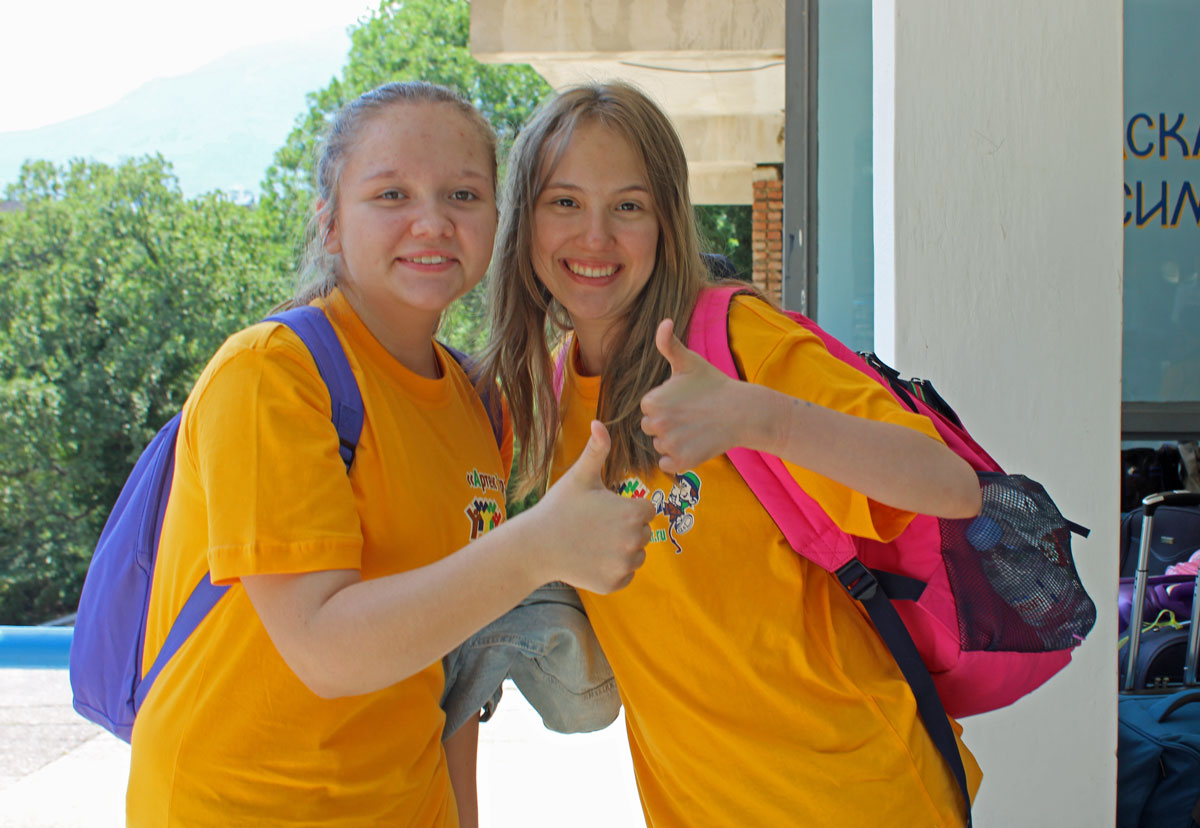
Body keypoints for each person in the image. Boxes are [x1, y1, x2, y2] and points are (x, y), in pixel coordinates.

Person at [126, 81, 654, 827]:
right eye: (391, 194)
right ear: (330, 224)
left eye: (463, 195)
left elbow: (453, 674)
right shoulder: (271, 375)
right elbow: (325, 649)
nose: (432, 222)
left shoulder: (480, 407)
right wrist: (539, 546)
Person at [481, 81, 986, 827]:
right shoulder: (553, 394)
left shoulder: (735, 340)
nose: (594, 237)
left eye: (628, 206)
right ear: (524, 221)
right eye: (564, 202)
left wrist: (760, 418)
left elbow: (952, 486)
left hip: (857, 797)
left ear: (666, 220)